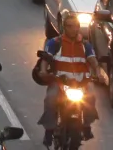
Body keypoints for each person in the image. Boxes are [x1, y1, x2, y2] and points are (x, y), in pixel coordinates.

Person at [35, 9, 98, 146]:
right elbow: (46, 59)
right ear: (64, 27)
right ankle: (49, 130)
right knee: (50, 99)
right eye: (70, 26)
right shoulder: (54, 43)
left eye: (76, 26)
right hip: (60, 82)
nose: (74, 29)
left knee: (91, 97)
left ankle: (86, 126)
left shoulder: (85, 45)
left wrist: (97, 72)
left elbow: (92, 60)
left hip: (81, 83)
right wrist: (43, 71)